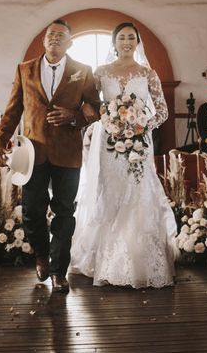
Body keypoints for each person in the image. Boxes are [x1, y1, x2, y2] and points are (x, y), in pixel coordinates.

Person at [0, 19, 101, 293]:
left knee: (65, 212)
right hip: (33, 151)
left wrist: (74, 117)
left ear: (69, 43)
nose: (54, 38)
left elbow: (95, 109)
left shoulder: (83, 71)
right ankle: (41, 254)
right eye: (50, 35)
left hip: (67, 151)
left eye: (61, 35)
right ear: (44, 40)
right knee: (32, 210)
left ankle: (58, 271)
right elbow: (13, 109)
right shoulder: (24, 69)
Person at [70, 22, 178, 288]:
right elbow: (90, 104)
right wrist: (109, 121)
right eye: (122, 38)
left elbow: (162, 111)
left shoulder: (148, 73)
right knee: (111, 193)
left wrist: (140, 126)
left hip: (139, 142)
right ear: (114, 43)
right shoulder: (101, 72)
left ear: (138, 42)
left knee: (139, 194)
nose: (127, 42)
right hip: (109, 143)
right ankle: (105, 260)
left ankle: (140, 260)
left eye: (132, 37)